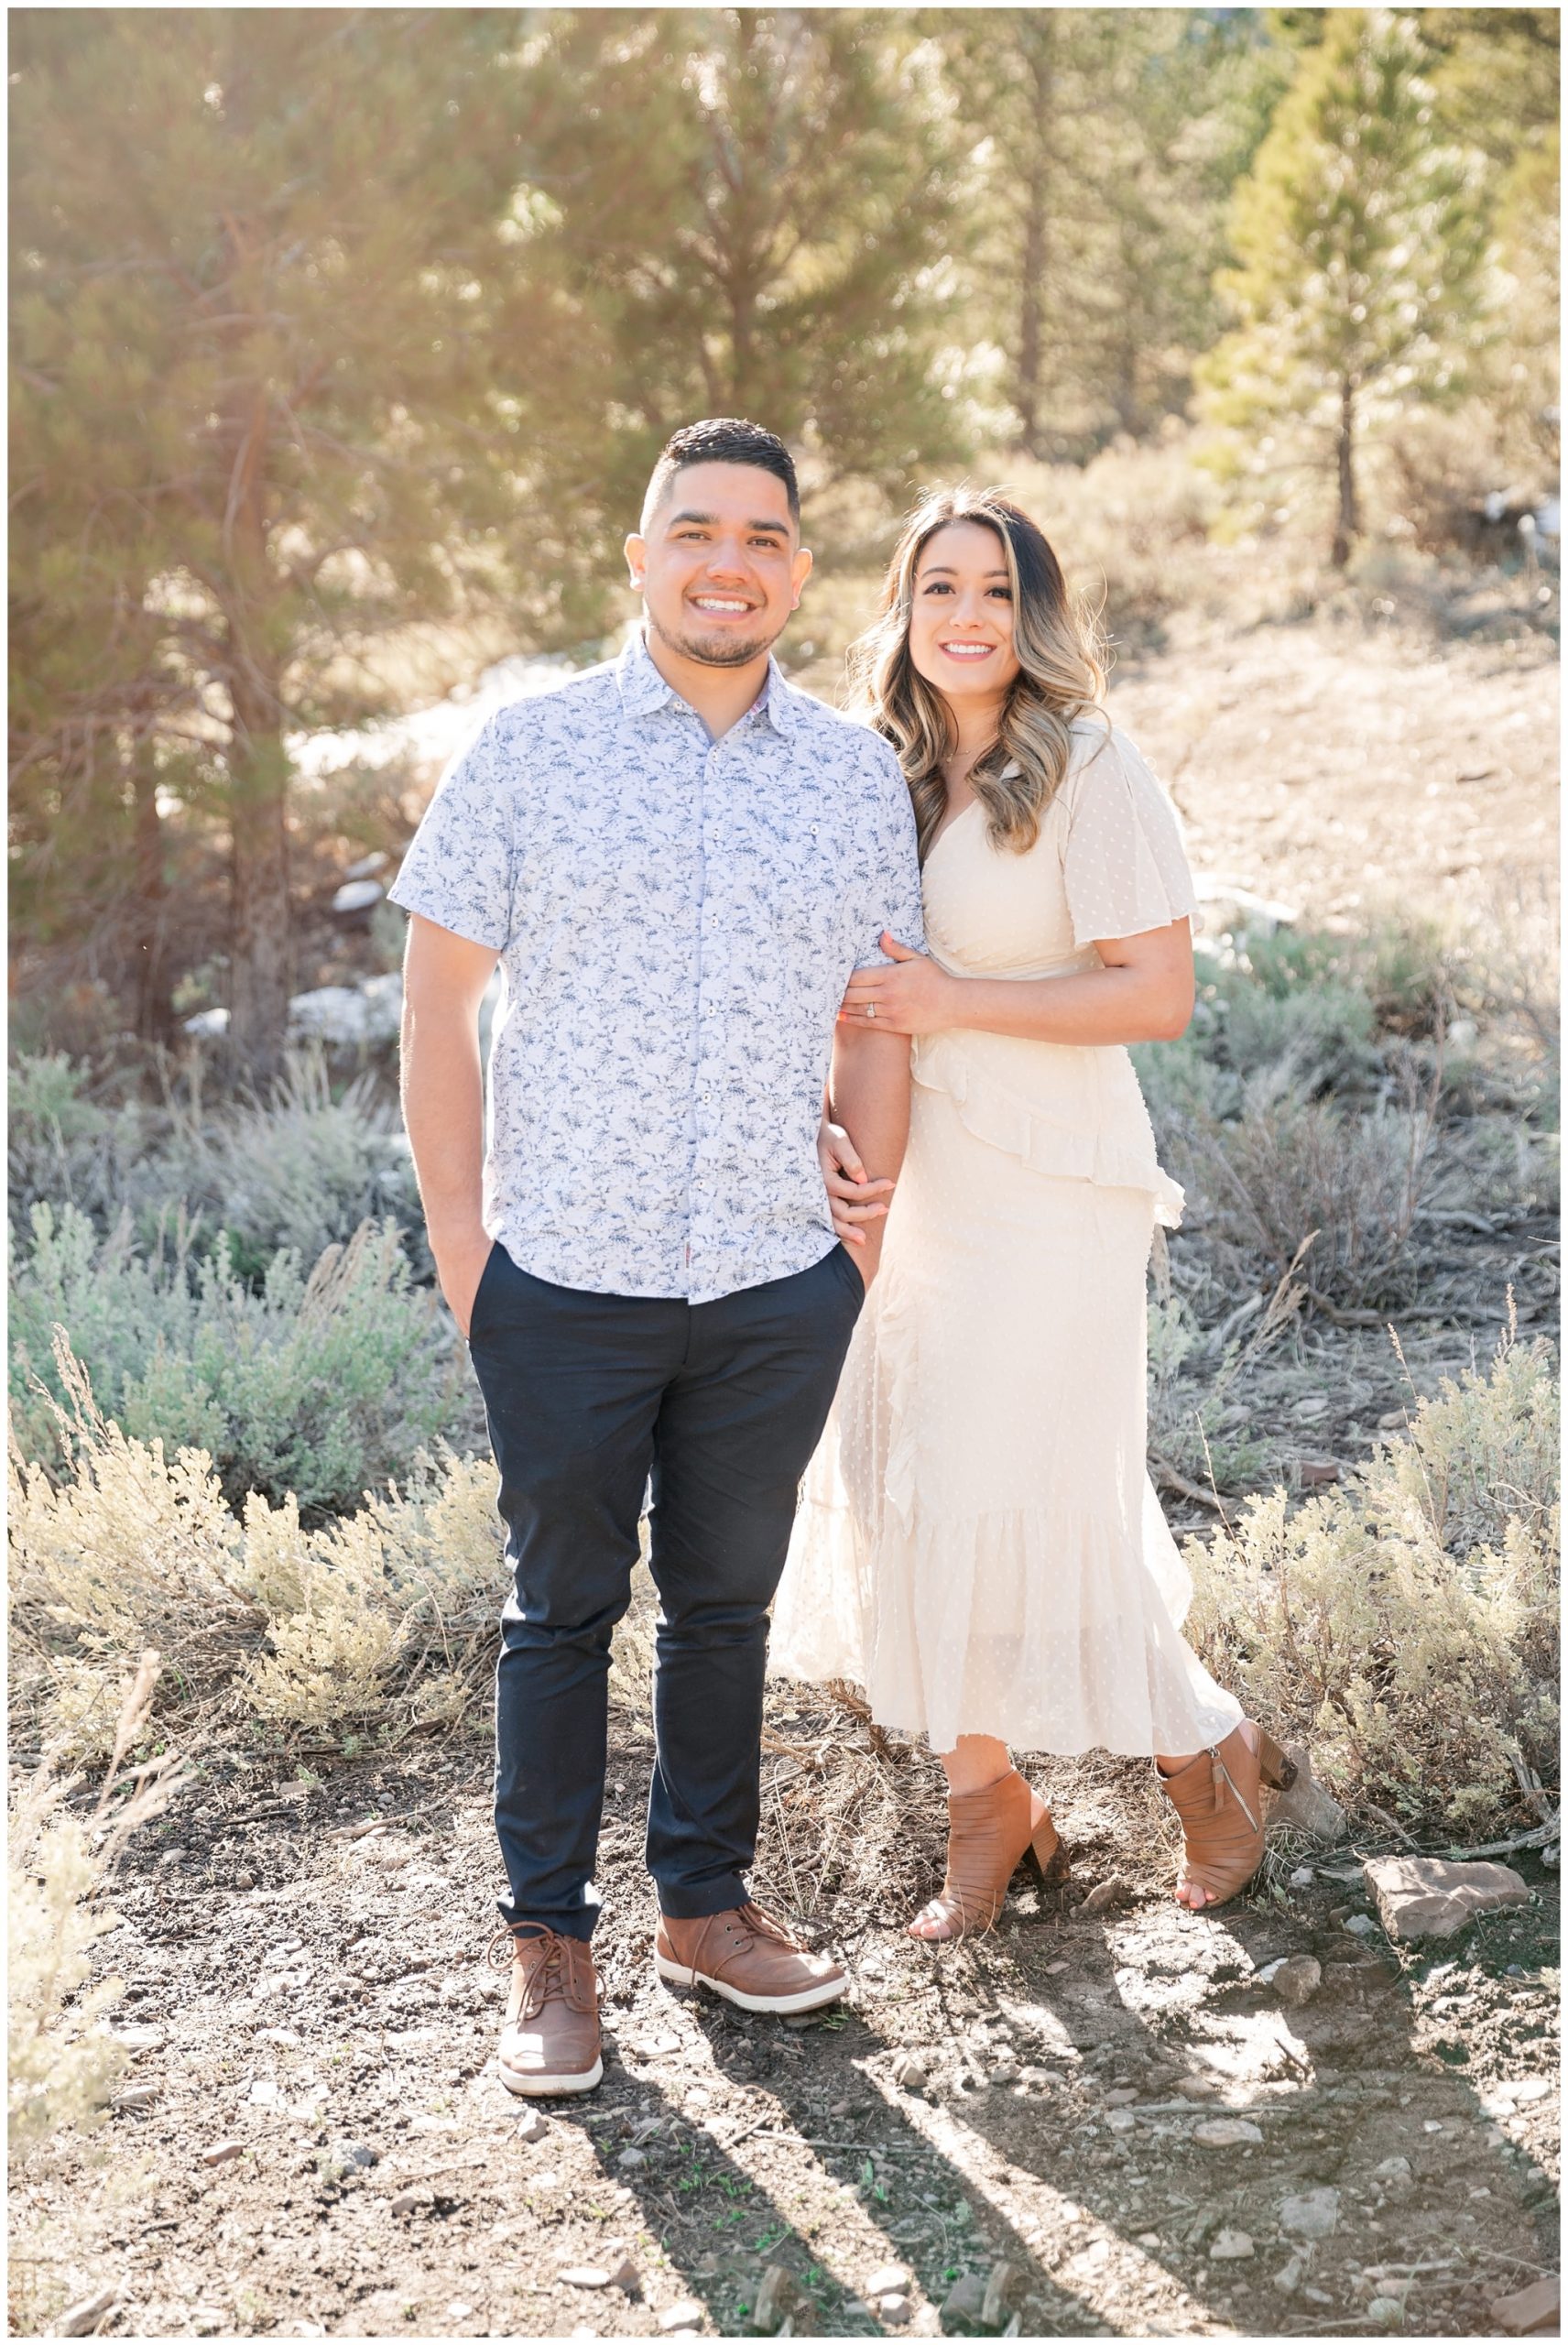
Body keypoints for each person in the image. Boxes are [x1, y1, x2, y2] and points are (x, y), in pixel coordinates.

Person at [390, 418, 921, 2093]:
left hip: (775, 1278)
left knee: (726, 1609)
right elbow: (436, 1004)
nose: (727, 562)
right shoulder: (530, 750)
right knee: (558, 1613)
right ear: (640, 558)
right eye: (695, 531)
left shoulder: (847, 774)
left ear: (797, 574)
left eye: (763, 538)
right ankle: (550, 1950)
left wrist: (868, 1211)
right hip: (563, 1274)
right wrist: (468, 1247)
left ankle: (706, 1906)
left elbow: (880, 999)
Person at [774, 485, 1294, 1940]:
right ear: (901, 608)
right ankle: (989, 1802)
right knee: (907, 1486)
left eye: (996, 591)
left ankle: (1210, 1765)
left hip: (1051, 1185)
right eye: (939, 586)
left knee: (1038, 1499)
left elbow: (1158, 991)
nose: (966, 615)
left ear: (1033, 615)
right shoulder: (877, 771)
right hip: (913, 1181)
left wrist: (960, 999)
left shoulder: (1088, 765)